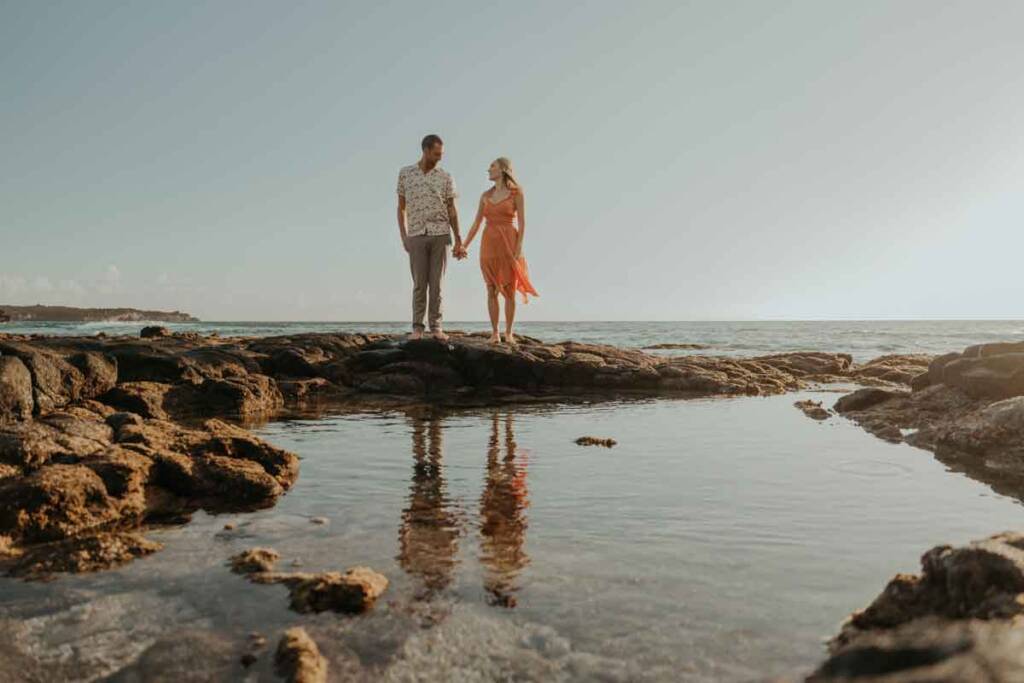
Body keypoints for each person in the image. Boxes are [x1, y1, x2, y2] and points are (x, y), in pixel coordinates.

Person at [458, 157, 538, 345]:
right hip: (488, 244)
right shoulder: (485, 195)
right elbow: (476, 223)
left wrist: (519, 247)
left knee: (509, 290)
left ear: (503, 169)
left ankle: (509, 333)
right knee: (491, 289)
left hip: (509, 242)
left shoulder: (516, 193)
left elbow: (523, 222)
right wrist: (464, 246)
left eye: (492, 167)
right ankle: (495, 333)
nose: (488, 170)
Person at [397, 134, 464, 341]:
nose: (440, 158)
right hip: (416, 234)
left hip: (440, 234)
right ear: (425, 150)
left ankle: (436, 327)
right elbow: (401, 208)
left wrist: (458, 238)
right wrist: (404, 237)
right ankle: (418, 328)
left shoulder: (445, 177)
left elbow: (452, 209)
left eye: (441, 154)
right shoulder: (406, 174)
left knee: (437, 285)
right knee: (419, 284)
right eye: (436, 154)